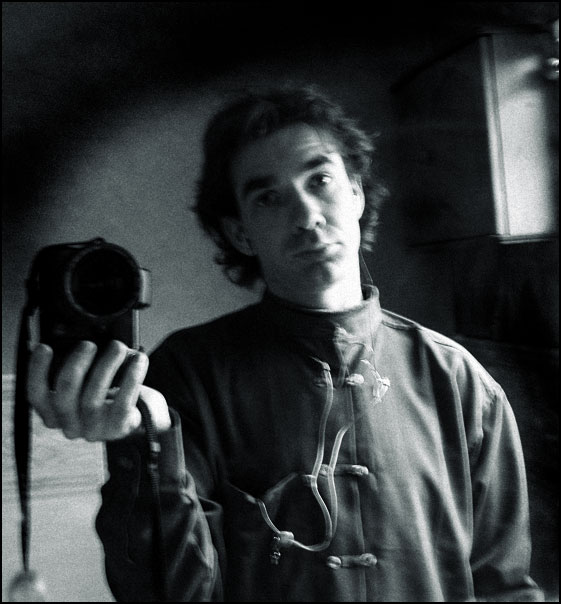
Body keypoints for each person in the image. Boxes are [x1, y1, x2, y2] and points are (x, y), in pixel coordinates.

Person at [27, 86, 544, 602]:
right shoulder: (187, 377)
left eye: (320, 180)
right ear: (240, 233)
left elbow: (503, 586)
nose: (306, 215)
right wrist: (148, 446)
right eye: (269, 198)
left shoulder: (460, 382)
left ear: (357, 194)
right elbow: (167, 594)